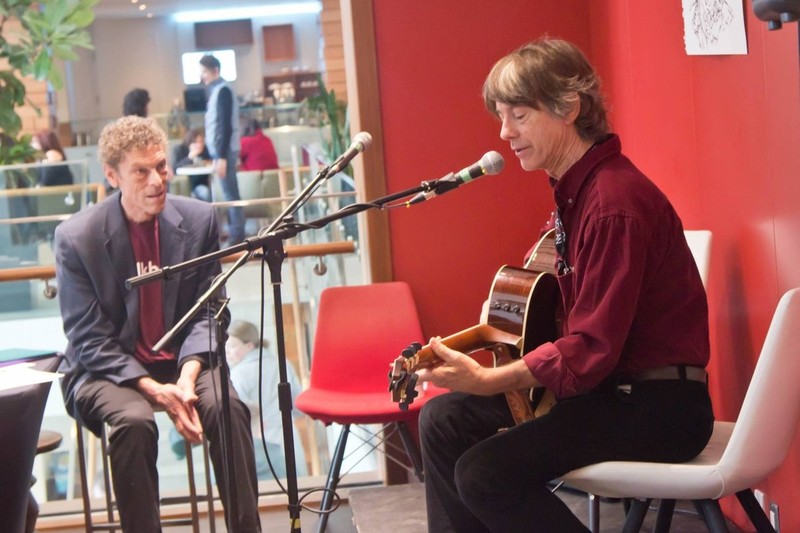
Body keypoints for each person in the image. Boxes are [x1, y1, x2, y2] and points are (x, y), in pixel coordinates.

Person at [416, 37, 714, 532]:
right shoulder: (578, 196)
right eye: (501, 116)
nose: (505, 132)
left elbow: (592, 347)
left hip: (655, 407)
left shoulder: (614, 205)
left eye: (519, 115)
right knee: (442, 421)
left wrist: (489, 379)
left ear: (569, 107)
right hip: (608, 392)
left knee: (485, 474)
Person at [54, 116, 261, 532]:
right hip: (107, 370)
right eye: (141, 171)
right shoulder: (78, 237)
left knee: (227, 408)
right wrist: (153, 389)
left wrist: (186, 378)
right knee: (134, 422)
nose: (156, 181)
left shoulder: (198, 219)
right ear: (112, 175)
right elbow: (88, 338)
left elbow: (211, 310)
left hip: (184, 360)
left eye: (161, 166)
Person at [226, 320, 308, 480]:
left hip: (260, 441)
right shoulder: (282, 363)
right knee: (298, 485)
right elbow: (298, 406)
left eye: (232, 346)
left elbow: (239, 417)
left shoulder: (238, 374)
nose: (227, 352)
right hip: (290, 436)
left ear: (249, 346)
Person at [199, 54, 245, 246]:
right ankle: (235, 233)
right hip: (221, 152)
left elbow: (224, 126)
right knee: (229, 193)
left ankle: (237, 236)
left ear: (215, 71)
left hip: (225, 152)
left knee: (230, 195)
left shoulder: (223, 90)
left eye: (204, 72)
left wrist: (221, 157)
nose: (202, 76)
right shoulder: (217, 90)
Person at [172, 127, 212, 202]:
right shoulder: (179, 150)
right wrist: (189, 158)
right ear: (189, 143)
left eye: (201, 142)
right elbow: (174, 168)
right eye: (195, 142)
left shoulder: (205, 150)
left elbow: (211, 162)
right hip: (185, 185)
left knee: (205, 192)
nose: (199, 145)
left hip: (200, 184)